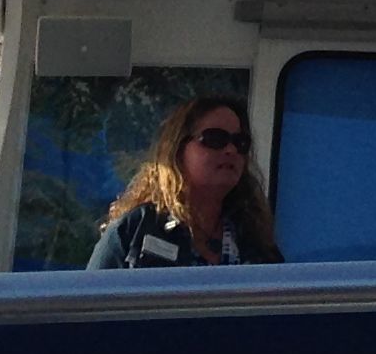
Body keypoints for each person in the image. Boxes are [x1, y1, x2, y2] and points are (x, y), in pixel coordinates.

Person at [87, 96, 280, 267]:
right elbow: (89, 304)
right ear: (177, 150)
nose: (231, 150)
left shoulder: (256, 244)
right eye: (214, 139)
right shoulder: (134, 231)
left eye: (240, 143)